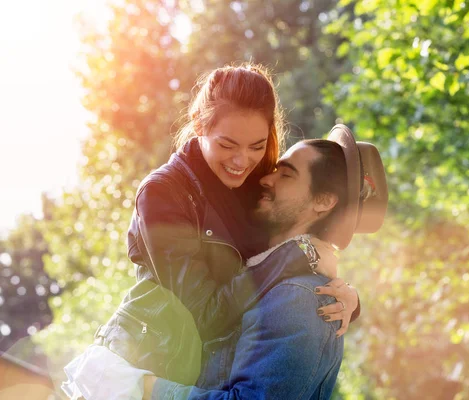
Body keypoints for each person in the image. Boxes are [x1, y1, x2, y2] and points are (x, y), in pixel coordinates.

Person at [61, 64, 360, 400]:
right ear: (199, 124)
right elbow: (204, 315)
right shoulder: (163, 194)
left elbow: (287, 258)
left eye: (257, 146)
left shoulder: (255, 182)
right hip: (147, 366)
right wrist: (297, 256)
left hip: (206, 370)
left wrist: (344, 295)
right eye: (227, 145)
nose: (242, 160)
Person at [143, 125, 389, 399]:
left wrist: (146, 389)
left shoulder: (296, 298)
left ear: (323, 201)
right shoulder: (265, 275)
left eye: (286, 175)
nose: (265, 179)